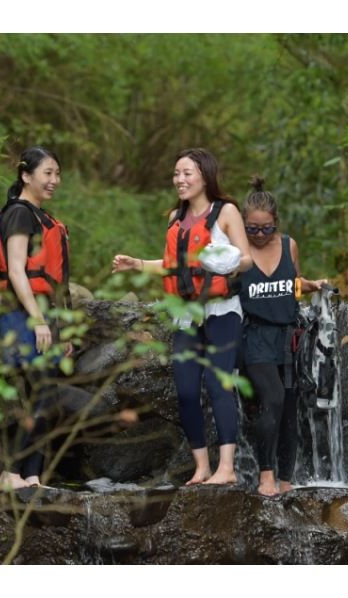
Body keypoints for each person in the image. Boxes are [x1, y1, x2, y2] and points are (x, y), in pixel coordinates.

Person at [112, 148, 252, 485]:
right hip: (188, 314)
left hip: (222, 312)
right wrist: (139, 265)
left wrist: (226, 261)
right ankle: (201, 466)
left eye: (187, 173)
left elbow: (247, 259)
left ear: (205, 175)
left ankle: (227, 469)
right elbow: (174, 264)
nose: (180, 179)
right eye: (176, 173)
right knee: (187, 390)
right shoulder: (176, 217)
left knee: (219, 386)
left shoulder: (226, 212)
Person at [0, 145, 74, 491]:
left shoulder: (44, 218)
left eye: (57, 173)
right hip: (23, 316)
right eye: (47, 173)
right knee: (36, 393)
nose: (54, 180)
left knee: (46, 395)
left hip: (45, 316)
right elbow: (16, 271)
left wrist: (63, 329)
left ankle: (32, 474)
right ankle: (9, 473)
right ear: (26, 175)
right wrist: (38, 320)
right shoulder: (20, 214)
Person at [238, 177, 326, 496]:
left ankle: (286, 480)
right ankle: (266, 476)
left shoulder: (289, 245)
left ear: (276, 223)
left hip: (288, 338)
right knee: (272, 398)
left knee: (290, 409)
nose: (259, 235)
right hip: (256, 338)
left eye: (266, 229)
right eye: (252, 229)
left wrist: (313, 284)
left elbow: (295, 282)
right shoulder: (238, 253)